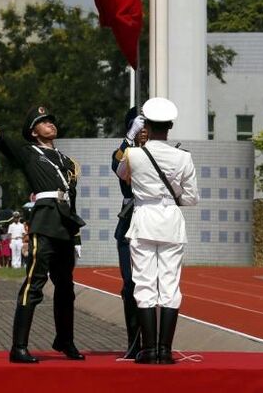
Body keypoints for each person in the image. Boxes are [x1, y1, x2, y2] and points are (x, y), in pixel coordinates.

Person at [0, 107, 86, 363]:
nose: (50, 124)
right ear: (33, 131)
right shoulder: (29, 153)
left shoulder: (66, 161)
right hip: (44, 223)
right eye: (43, 122)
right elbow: (2, 140)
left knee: (66, 288)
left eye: (51, 120)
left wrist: (76, 236)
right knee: (34, 284)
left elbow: (70, 199)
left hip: (65, 225)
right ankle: (18, 347)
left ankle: (65, 340)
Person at [116, 97, 198, 365]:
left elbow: (120, 172)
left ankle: (148, 349)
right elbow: (191, 198)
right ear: (170, 126)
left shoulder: (134, 154)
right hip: (171, 222)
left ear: (146, 125)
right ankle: (165, 350)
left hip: (144, 220)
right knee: (170, 285)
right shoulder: (183, 157)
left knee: (144, 283)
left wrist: (129, 140)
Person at [111, 106, 148, 359]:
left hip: (151, 222)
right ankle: (134, 342)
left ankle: (154, 342)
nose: (143, 131)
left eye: (147, 126)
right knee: (129, 284)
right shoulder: (126, 153)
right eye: (139, 126)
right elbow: (117, 165)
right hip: (129, 224)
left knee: (152, 286)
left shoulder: (164, 152)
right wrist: (129, 138)